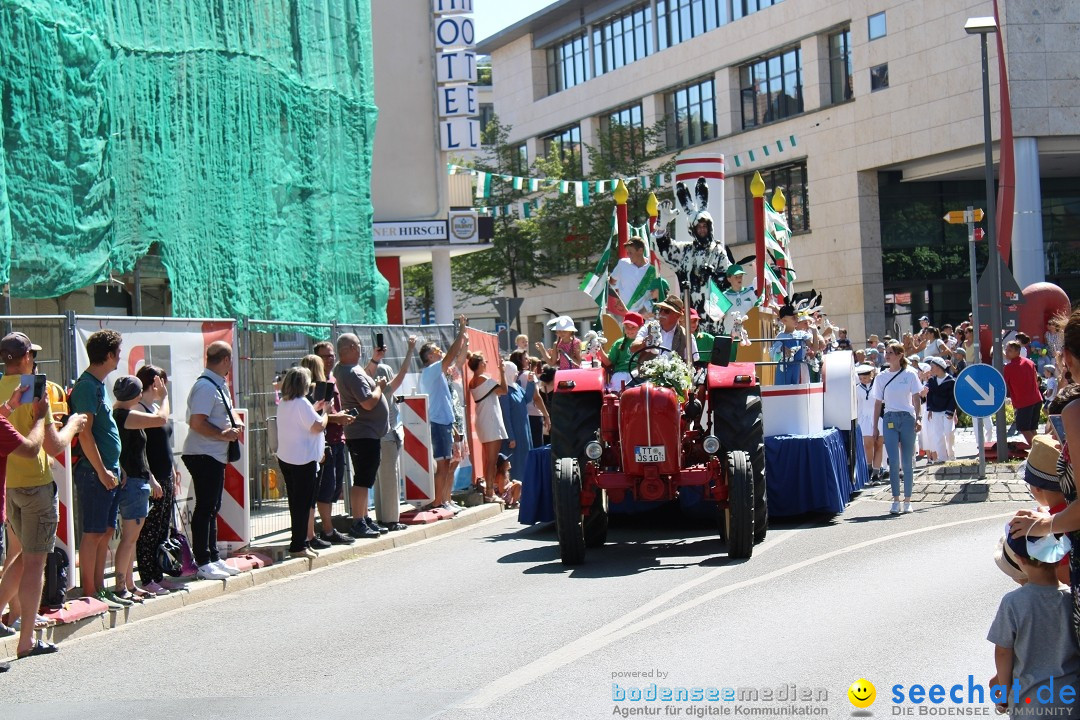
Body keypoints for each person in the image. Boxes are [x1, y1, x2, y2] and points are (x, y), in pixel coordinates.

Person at [0, 331, 84, 661]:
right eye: (31, 356)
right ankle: (26, 641)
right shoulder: (36, 390)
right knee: (35, 561)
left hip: (9, 486)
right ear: (23, 360)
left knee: (22, 556)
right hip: (36, 483)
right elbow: (52, 446)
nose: (34, 361)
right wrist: (74, 425)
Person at [987, 531, 1080, 717]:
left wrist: (1004, 694)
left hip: (1030, 701)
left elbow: (1003, 651)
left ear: (1019, 559)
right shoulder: (1073, 598)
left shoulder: (1013, 602)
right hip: (1071, 698)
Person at [70, 329, 132, 601]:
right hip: (95, 472)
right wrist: (102, 470)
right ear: (108, 355)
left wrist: (116, 466)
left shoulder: (98, 385)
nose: (120, 357)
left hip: (108, 469)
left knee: (106, 531)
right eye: (117, 352)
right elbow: (85, 433)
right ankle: (90, 592)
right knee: (93, 532)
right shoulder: (86, 386)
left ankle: (100, 589)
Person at [181, 341, 244, 580]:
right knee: (206, 506)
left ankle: (213, 556)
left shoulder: (218, 385)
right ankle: (203, 560)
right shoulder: (206, 387)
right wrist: (222, 435)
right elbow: (197, 423)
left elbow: (216, 417)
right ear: (226, 360)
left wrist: (233, 425)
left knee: (212, 506)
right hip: (203, 453)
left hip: (214, 453)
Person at [110, 374, 169, 601]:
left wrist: (150, 478)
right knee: (129, 538)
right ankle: (121, 587)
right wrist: (164, 398)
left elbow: (135, 453)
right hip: (133, 484)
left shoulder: (122, 414)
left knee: (131, 538)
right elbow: (161, 419)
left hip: (138, 479)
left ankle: (128, 584)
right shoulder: (126, 416)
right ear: (136, 395)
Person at [333, 333, 389, 537]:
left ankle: (364, 517)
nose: (360, 348)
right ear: (349, 348)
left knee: (366, 478)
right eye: (357, 345)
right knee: (363, 479)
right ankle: (358, 521)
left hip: (365, 432)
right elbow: (367, 402)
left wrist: (374, 361)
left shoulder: (346, 369)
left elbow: (364, 377)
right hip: (364, 432)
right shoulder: (351, 373)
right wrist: (380, 388)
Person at [134, 364, 182, 595]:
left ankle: (157, 574)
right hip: (152, 478)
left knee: (162, 529)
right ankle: (146, 577)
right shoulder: (140, 409)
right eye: (163, 381)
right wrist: (151, 477)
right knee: (149, 530)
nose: (166, 386)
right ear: (155, 381)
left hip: (165, 475)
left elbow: (164, 441)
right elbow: (141, 449)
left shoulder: (154, 407)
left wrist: (172, 469)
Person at [276, 367, 329, 558]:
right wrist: (326, 414)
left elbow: (300, 421)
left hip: (287, 458)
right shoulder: (301, 403)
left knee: (295, 502)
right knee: (303, 504)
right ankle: (299, 545)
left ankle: (300, 541)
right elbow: (317, 427)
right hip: (302, 460)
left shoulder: (284, 402)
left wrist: (314, 410)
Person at [418, 316, 470, 510]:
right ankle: (437, 502)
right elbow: (451, 354)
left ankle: (442, 501)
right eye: (434, 350)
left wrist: (454, 426)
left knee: (447, 463)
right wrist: (461, 331)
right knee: (443, 465)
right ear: (428, 357)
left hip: (446, 423)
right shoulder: (431, 370)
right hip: (438, 423)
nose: (439, 350)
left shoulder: (438, 372)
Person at [366, 336, 416, 530]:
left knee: (380, 480)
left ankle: (382, 517)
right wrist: (410, 349)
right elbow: (403, 373)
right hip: (388, 437)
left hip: (376, 436)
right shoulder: (386, 389)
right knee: (390, 478)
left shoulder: (371, 391)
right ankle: (391, 520)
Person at [310, 343, 356, 546]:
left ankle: (328, 529)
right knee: (326, 488)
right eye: (324, 356)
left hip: (338, 439)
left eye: (331, 355)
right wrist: (338, 418)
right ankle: (326, 530)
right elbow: (320, 414)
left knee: (335, 486)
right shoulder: (315, 383)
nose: (329, 359)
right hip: (325, 442)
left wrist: (341, 417)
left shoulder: (332, 379)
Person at [872, 342, 924, 514]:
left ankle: (908, 500)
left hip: (907, 418)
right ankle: (895, 500)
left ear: (900, 355)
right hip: (889, 418)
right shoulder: (881, 377)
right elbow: (877, 403)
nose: (887, 355)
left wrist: (918, 417)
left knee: (907, 461)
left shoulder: (910, 374)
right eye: (886, 352)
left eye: (891, 352)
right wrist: (875, 427)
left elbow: (916, 398)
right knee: (893, 461)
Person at [467, 352, 508, 502]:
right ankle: (490, 493)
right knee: (492, 460)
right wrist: (502, 372)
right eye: (484, 361)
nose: (486, 363)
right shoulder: (483, 379)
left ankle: (490, 490)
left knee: (489, 459)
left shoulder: (473, 381)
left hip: (483, 420)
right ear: (480, 364)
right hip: (491, 420)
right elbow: (503, 390)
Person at [1003, 340, 1044, 445]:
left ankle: (1037, 452)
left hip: (1024, 402)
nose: (1006, 352)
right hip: (1036, 399)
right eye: (1006, 350)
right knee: (1032, 429)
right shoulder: (1029, 362)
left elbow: (1002, 384)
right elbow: (1036, 379)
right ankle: (1041, 450)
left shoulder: (1008, 368)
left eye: (1010, 350)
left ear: (1017, 352)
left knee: (1024, 428)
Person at [499, 360, 531, 484]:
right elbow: (505, 416)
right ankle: (514, 492)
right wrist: (510, 437)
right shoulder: (505, 392)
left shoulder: (516, 387)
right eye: (514, 370)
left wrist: (531, 382)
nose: (517, 373)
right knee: (516, 464)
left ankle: (523, 490)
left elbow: (527, 398)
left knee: (525, 461)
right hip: (515, 435)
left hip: (524, 433)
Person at [509, 350, 550, 447]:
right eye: (526, 358)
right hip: (534, 415)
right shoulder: (529, 375)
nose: (529, 361)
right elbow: (536, 397)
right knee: (536, 447)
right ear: (520, 361)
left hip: (519, 415)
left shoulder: (513, 376)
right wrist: (546, 415)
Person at [629, 294, 688, 359]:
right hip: (646, 368)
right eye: (660, 310)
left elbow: (690, 363)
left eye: (666, 311)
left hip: (674, 369)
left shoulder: (687, 336)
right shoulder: (648, 328)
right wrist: (644, 343)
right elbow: (632, 348)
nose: (661, 313)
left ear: (677, 315)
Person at [922, 356, 957, 463]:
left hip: (947, 411)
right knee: (938, 435)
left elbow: (953, 397)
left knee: (948, 433)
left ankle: (951, 454)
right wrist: (930, 409)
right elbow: (929, 394)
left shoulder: (950, 381)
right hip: (936, 411)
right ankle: (942, 458)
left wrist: (951, 411)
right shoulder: (932, 380)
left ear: (939, 367)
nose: (931, 369)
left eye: (932, 367)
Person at [597, 312, 643, 391]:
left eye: (633, 327)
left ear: (640, 327)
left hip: (638, 375)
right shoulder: (619, 343)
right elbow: (608, 362)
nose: (629, 330)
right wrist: (598, 348)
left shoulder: (645, 342)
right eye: (627, 327)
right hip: (620, 375)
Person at [609, 235, 654, 313]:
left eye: (630, 252)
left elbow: (655, 292)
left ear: (640, 251)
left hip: (645, 315)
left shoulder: (652, 269)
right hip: (625, 314)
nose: (628, 255)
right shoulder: (622, 263)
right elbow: (611, 281)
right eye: (627, 252)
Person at [856, 364, 885, 484]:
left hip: (879, 418)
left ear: (871, 375)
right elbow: (858, 406)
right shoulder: (857, 388)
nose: (863, 380)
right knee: (868, 444)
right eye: (861, 378)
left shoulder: (878, 386)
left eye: (865, 378)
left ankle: (876, 473)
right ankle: (868, 469)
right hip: (865, 418)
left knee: (879, 445)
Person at [770, 301, 811, 385]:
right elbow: (772, 354)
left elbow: (813, 346)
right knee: (783, 390)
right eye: (793, 318)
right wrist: (782, 349)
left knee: (797, 389)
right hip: (784, 370)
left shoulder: (801, 334)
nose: (797, 319)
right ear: (784, 320)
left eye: (797, 317)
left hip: (797, 368)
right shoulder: (780, 336)